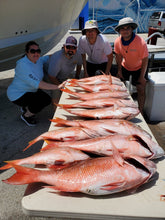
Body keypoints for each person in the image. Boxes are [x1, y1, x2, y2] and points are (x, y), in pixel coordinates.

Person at [7, 41, 63, 126]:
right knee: (45, 100)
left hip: (30, 90)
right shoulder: (23, 65)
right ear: (27, 52)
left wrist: (62, 52)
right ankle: (26, 115)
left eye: (38, 51)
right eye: (32, 51)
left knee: (42, 97)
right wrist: (58, 86)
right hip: (18, 95)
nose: (36, 53)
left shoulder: (38, 60)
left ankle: (26, 107)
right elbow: (40, 84)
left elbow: (48, 57)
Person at [114, 17, 149, 113]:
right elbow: (118, 56)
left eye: (128, 28)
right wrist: (119, 71)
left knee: (141, 89)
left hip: (139, 67)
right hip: (125, 66)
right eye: (122, 29)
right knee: (118, 88)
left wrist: (142, 77)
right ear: (119, 30)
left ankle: (140, 111)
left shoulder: (140, 42)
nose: (125, 31)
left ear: (132, 29)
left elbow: (145, 59)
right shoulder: (117, 41)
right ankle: (122, 109)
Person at [48, 36, 82, 103]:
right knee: (56, 92)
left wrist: (77, 77)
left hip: (64, 76)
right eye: (68, 47)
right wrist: (62, 87)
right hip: (52, 76)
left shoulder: (78, 54)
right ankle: (56, 109)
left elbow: (79, 64)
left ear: (76, 48)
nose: (70, 50)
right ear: (64, 47)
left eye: (73, 47)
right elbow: (51, 76)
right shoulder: (57, 58)